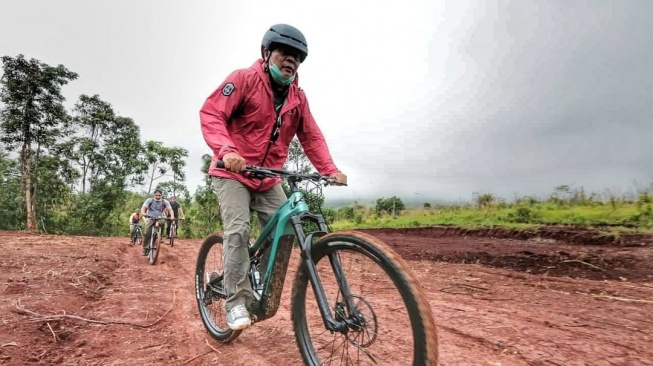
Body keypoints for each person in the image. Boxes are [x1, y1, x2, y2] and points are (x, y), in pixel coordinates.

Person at [200, 23, 347, 331]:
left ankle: (255, 284)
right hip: (233, 173)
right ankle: (235, 301)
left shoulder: (297, 99)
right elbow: (212, 114)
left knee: (288, 231)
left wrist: (329, 170)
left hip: (268, 179)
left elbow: (312, 137)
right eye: (284, 53)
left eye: (297, 57)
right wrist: (227, 151)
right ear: (266, 53)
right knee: (238, 231)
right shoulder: (244, 79)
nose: (290, 61)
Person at [140, 190, 173, 256]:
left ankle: (159, 236)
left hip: (160, 218)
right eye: (156, 195)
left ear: (162, 195)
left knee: (163, 224)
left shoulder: (165, 202)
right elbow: (143, 208)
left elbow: (170, 210)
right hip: (150, 217)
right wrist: (143, 213)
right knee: (147, 233)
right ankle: (145, 248)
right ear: (153, 195)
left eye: (159, 195)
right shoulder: (149, 200)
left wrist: (172, 216)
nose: (158, 196)